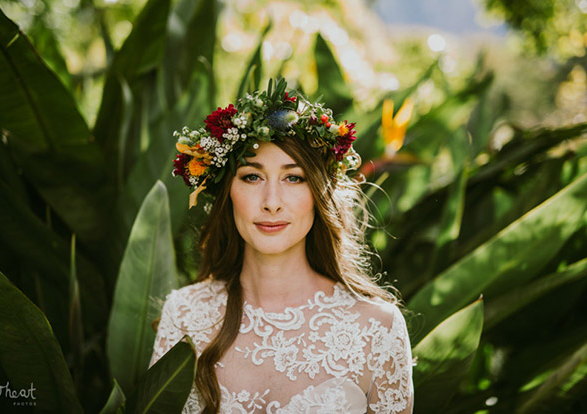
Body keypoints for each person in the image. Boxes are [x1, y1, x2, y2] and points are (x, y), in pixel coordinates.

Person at [149, 79, 414, 413]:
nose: (271, 202)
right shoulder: (184, 315)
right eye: (251, 176)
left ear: (319, 193)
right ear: (227, 193)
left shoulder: (378, 328)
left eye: (294, 178)